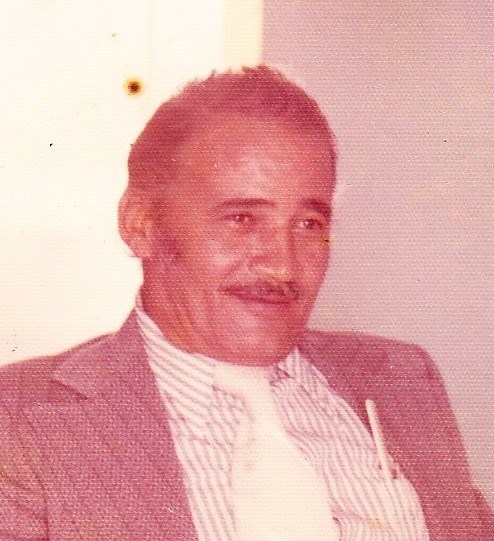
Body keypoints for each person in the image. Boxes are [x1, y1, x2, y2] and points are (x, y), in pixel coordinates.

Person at [0, 66, 492, 541]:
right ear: (141, 224)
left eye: (309, 224)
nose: (282, 265)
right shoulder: (21, 419)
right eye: (241, 219)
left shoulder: (402, 378)